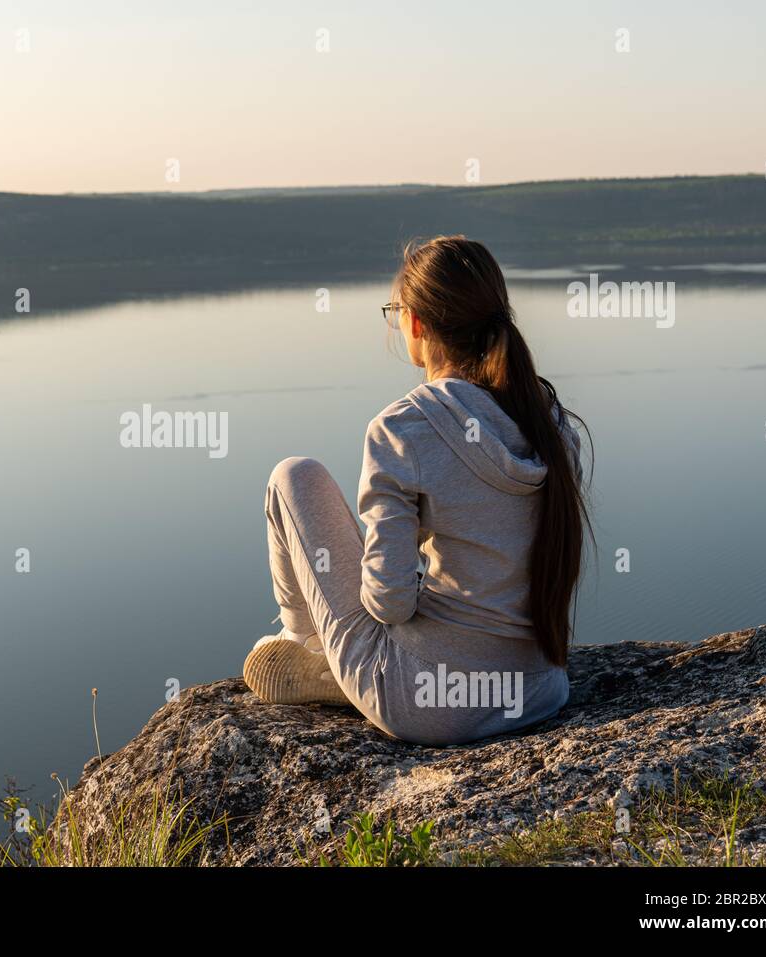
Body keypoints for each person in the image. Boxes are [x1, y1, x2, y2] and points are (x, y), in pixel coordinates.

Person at [243, 235, 591, 745]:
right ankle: (328, 662)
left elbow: (389, 604)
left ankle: (308, 647)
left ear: (416, 322)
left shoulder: (404, 428)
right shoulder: (552, 424)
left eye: (395, 310)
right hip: (538, 691)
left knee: (294, 476)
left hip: (429, 702)